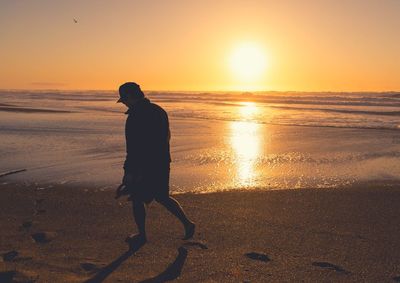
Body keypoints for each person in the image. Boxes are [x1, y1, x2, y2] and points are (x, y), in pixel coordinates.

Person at [116, 82, 195, 246]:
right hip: (162, 161)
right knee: (162, 196)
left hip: (144, 166)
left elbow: (134, 147)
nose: (123, 102)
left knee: (138, 199)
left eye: (124, 99)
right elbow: (165, 138)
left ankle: (142, 235)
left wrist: (129, 171)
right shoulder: (159, 111)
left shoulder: (135, 116)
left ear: (130, 97)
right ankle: (187, 224)